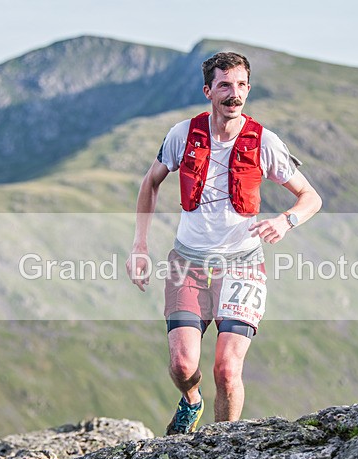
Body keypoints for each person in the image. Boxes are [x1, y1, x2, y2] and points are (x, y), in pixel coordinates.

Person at [126, 52, 322, 435]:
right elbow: (150, 183)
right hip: (188, 262)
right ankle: (192, 402)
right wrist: (139, 246)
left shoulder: (265, 141)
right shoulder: (182, 135)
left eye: (242, 86)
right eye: (225, 86)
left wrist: (287, 220)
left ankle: (221, 450)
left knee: (227, 370)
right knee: (183, 366)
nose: (235, 95)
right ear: (208, 91)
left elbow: (310, 197)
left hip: (243, 265)